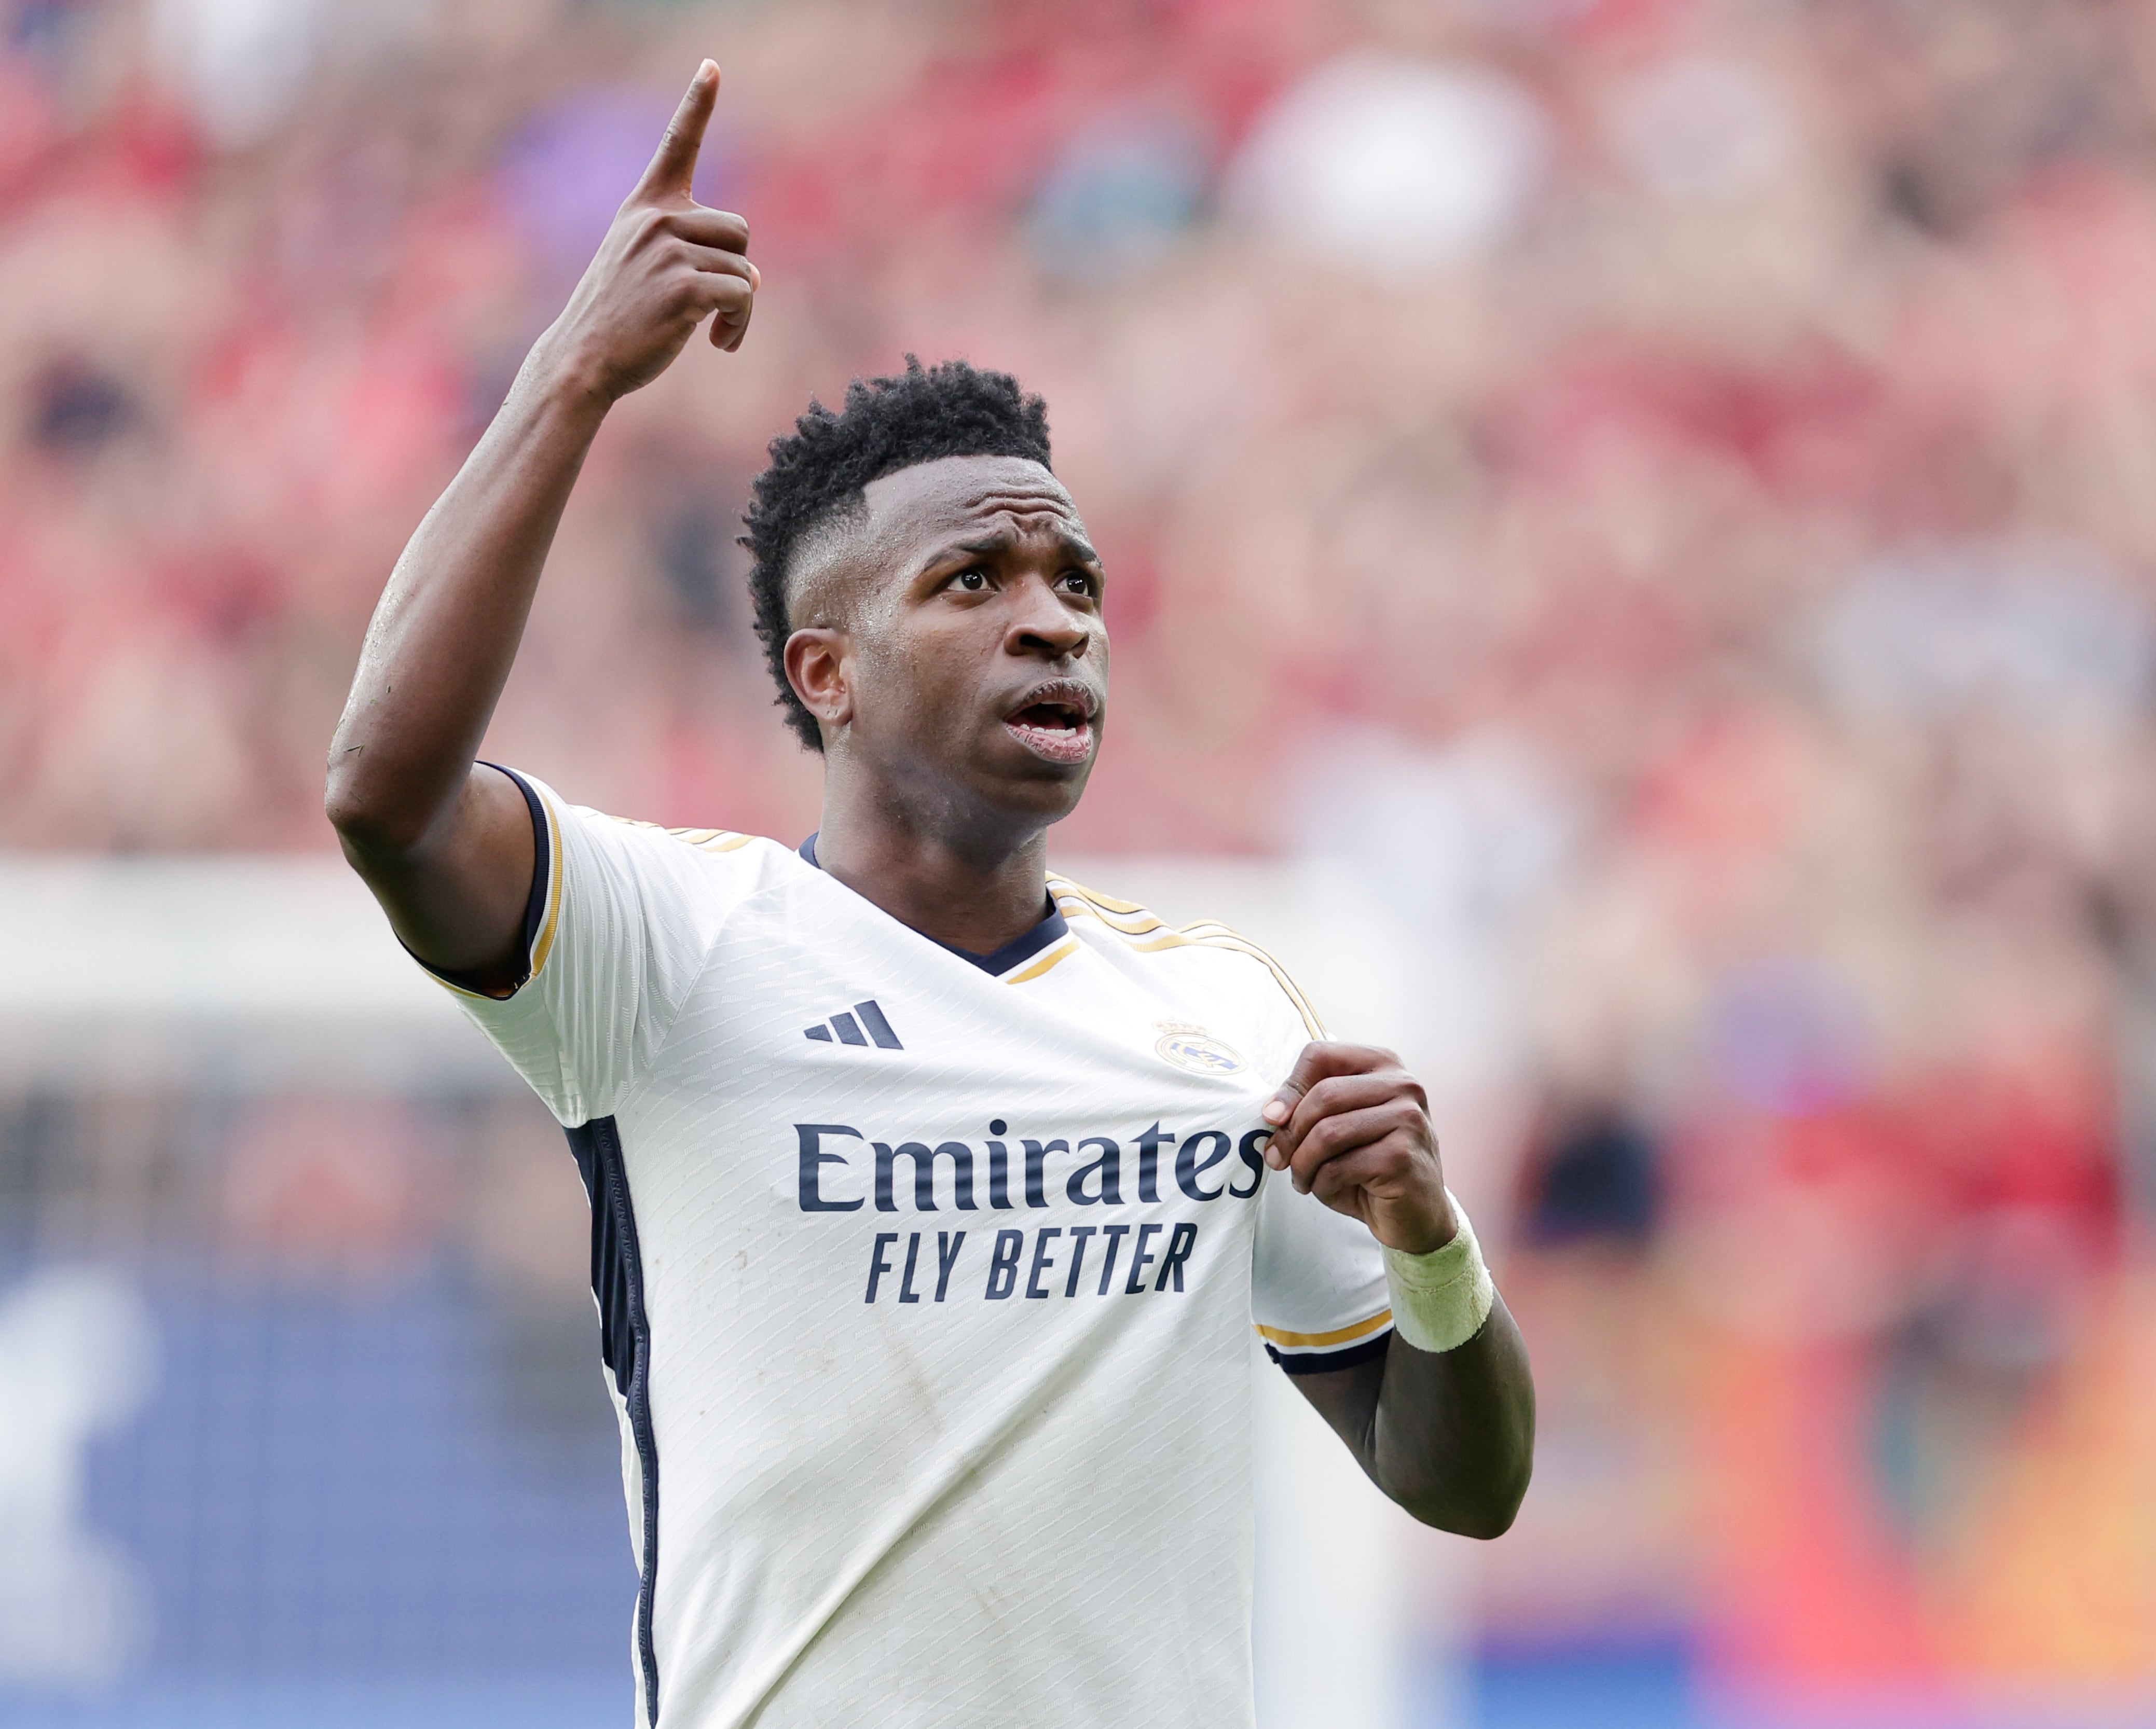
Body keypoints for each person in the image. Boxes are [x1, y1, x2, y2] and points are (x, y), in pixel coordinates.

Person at [323, 62, 1533, 1729]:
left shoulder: (1224, 1017)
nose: (1059, 621)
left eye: (1079, 584)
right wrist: (574, 379)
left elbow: (1458, 1487)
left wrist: (1430, 1240)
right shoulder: (671, 952)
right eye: (978, 579)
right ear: (825, 670)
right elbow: (383, 794)